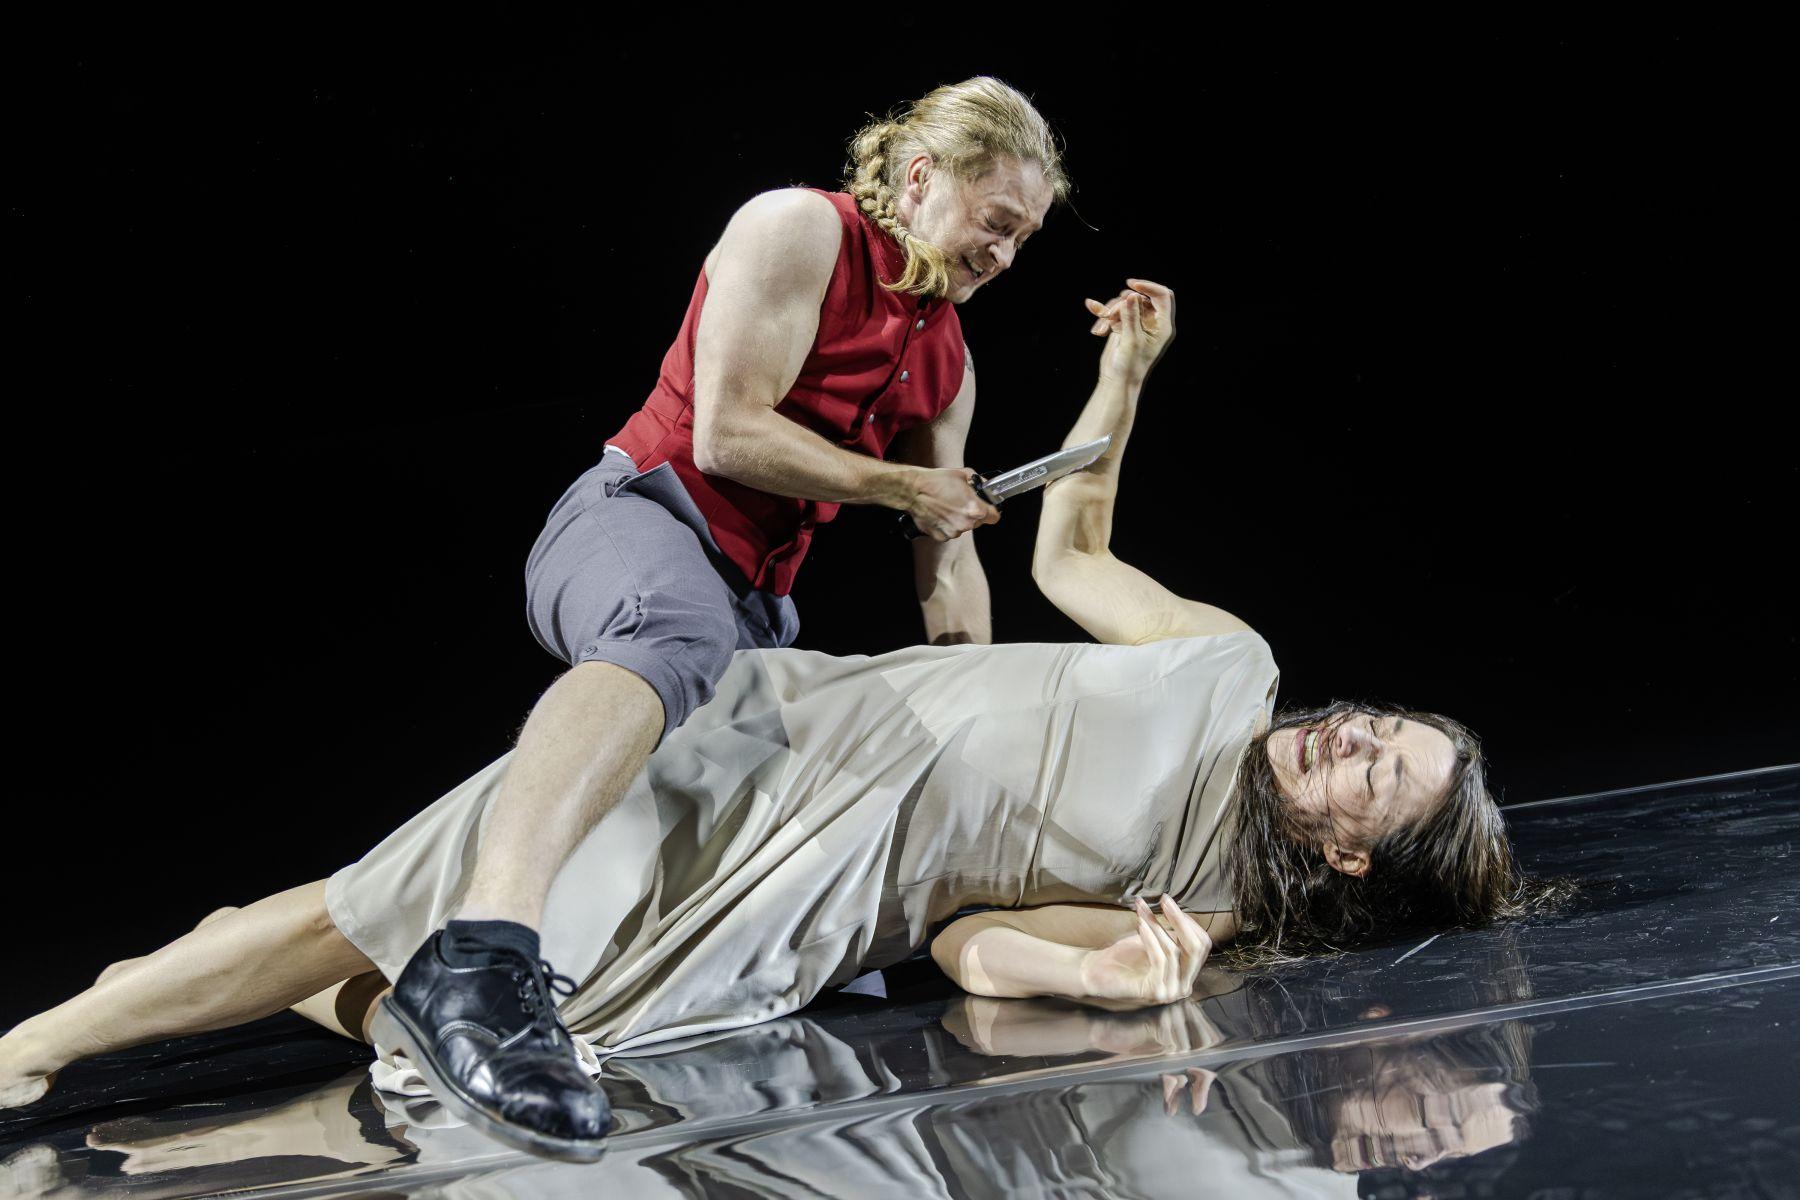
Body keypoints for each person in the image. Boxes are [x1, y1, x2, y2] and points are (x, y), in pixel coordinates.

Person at [0, 278, 1564, 1166]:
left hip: (832, 885)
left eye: (1381, 770)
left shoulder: (1206, 906)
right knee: (447, 896)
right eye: (1375, 721)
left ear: (1359, 859)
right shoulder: (1233, 661)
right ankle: (40, 1043)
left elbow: (968, 948)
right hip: (789, 730)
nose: (1349, 732)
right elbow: (1070, 554)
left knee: (533, 1015)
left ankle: (227, 990)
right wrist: (1127, 378)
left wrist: (1102, 975)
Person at [364, 75, 1066, 1156]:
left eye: (1025, 240)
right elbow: (728, 436)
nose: (1004, 257)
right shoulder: (798, 230)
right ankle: (481, 956)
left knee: (823, 796)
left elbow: (947, 559)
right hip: (639, 518)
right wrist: (904, 489)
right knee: (673, 637)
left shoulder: (947, 361)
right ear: (922, 178)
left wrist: (979, 695)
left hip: (752, 614)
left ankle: (378, 996)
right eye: (996, 224)